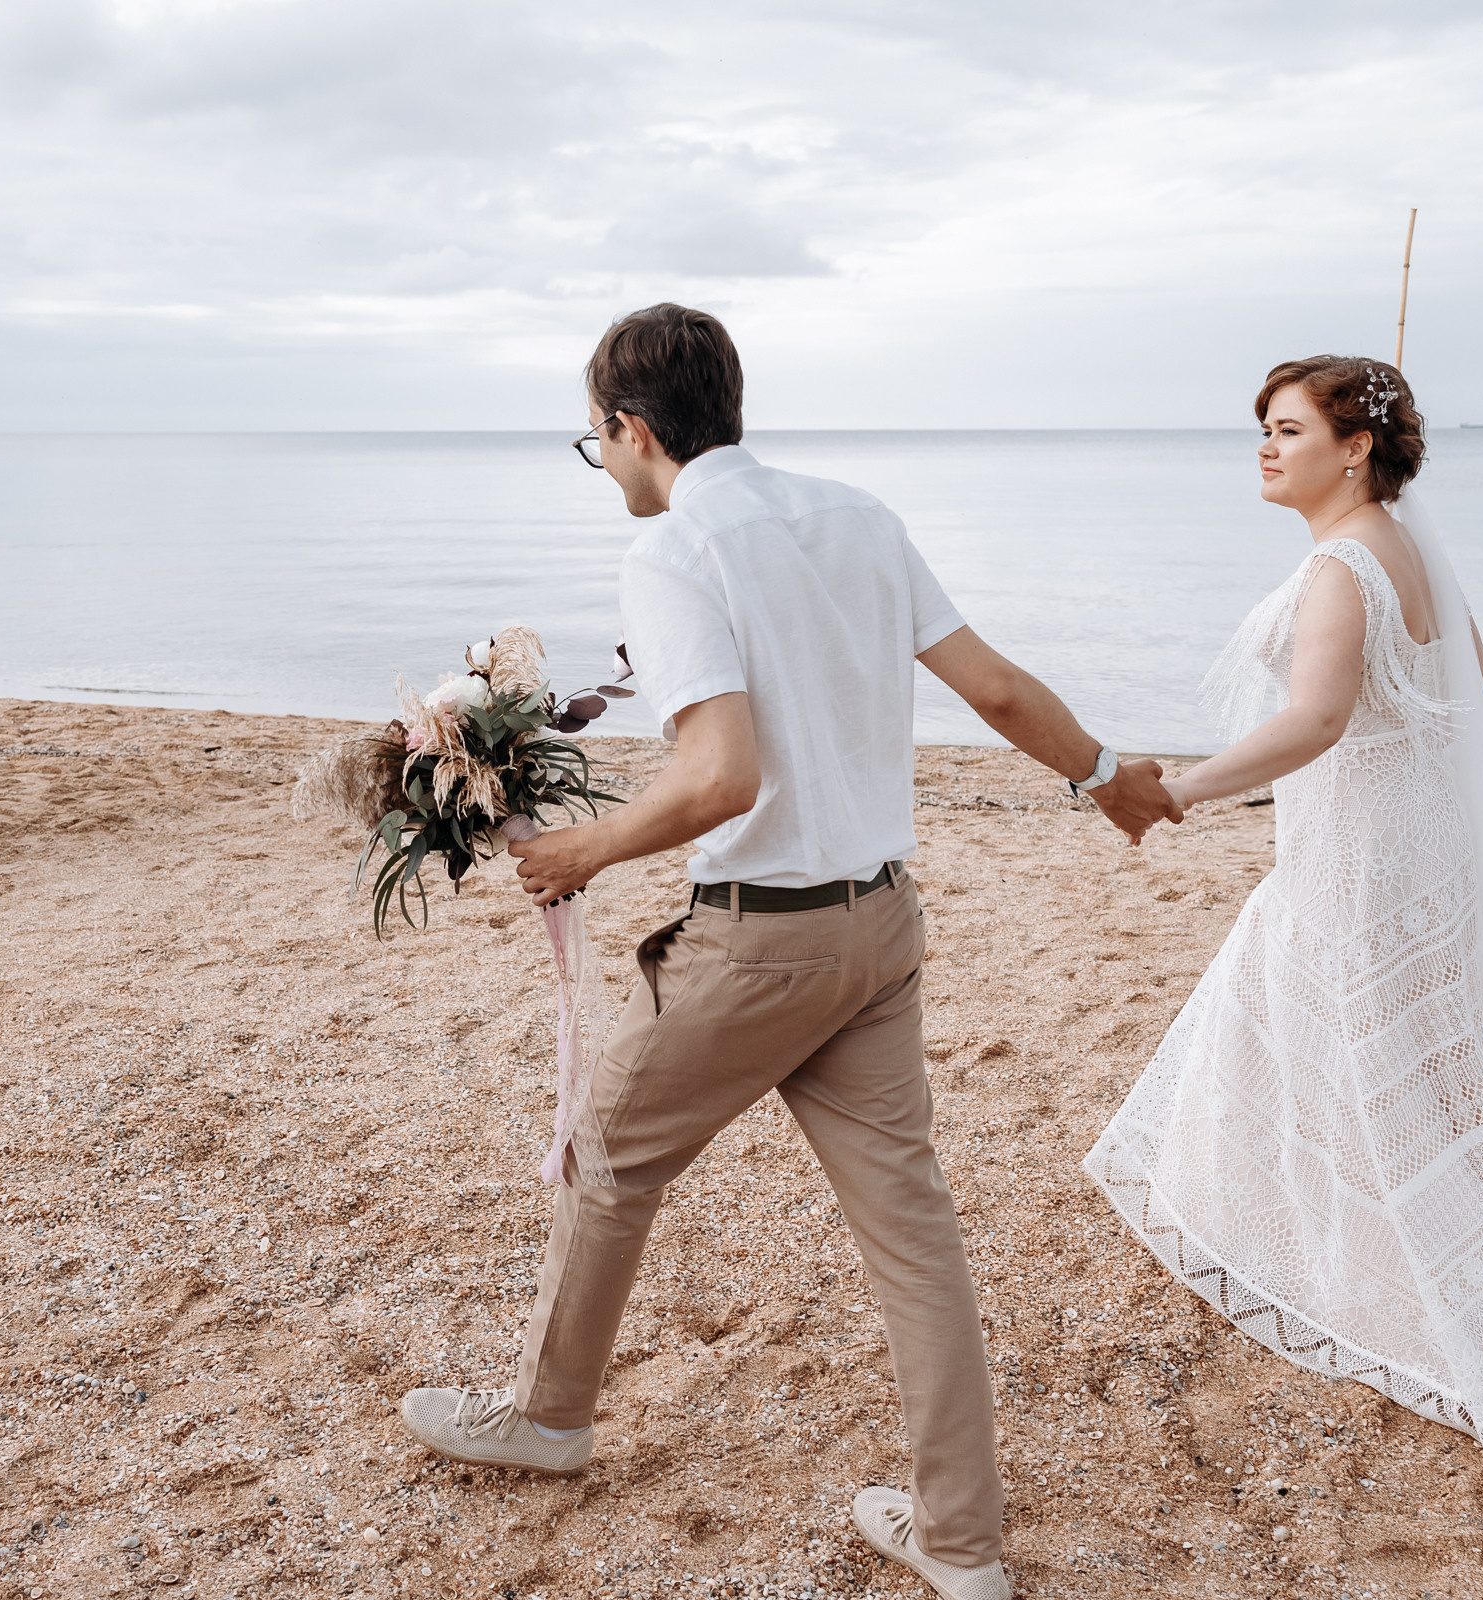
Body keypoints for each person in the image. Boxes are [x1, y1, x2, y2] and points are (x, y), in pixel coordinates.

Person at [397, 303, 1178, 1599]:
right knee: (913, 1234)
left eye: (600, 445)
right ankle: (963, 1545)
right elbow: (991, 690)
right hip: (881, 928)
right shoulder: (859, 520)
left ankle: (549, 1415)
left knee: (603, 1153)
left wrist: (583, 853)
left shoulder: (676, 547)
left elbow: (721, 776)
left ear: (632, 431)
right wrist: (1104, 776)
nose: (611, 470)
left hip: (762, 944)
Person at [1084, 357, 1483, 1484]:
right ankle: (1288, 1230)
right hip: (1408, 846)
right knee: (1320, 1038)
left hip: (1358, 861)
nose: (1264, 446)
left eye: (1287, 429)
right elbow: (1467, 681)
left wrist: (1181, 791)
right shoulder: (1408, 549)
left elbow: (1318, 719)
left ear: (1354, 447)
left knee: (1384, 1078)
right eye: (1263, 427)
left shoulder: (1344, 563)